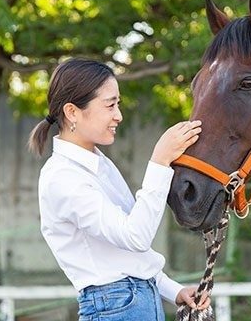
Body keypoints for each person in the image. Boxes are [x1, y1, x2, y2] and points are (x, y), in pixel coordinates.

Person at [28, 58, 210, 320]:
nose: (118, 115)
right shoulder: (62, 177)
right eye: (110, 105)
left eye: (118, 104)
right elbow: (135, 236)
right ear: (72, 112)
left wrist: (175, 291)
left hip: (131, 302)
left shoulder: (99, 164)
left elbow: (127, 255)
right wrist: (160, 161)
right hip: (115, 307)